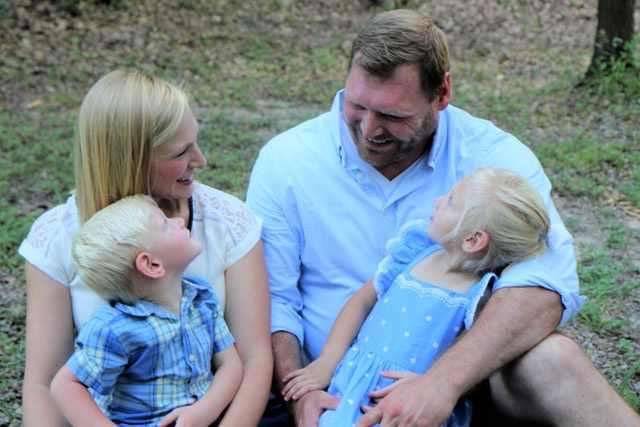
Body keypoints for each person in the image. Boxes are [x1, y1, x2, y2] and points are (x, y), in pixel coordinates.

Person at [246, 9, 640, 426]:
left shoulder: (492, 161)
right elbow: (272, 300)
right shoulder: (286, 160)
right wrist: (301, 393)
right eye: (357, 105)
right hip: (330, 393)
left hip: (468, 390)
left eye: (394, 116)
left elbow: (545, 281)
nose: (369, 129)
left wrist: (441, 383)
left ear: (443, 94)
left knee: (555, 357)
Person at [19, 70, 272, 427]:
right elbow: (46, 384)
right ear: (132, 160)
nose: (200, 160)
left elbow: (253, 359)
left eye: (194, 142)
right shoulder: (58, 239)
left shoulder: (226, 223)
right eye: (181, 151)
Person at [281, 168, 552, 426]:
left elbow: (481, 364)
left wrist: (429, 383)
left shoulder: (481, 295)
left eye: (450, 202)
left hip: (407, 408)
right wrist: (328, 361)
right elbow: (360, 302)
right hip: (351, 384)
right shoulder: (415, 253)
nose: (437, 201)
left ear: (472, 240)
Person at [50, 195, 243, 426]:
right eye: (165, 224)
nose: (179, 221)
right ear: (151, 265)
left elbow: (230, 364)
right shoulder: (114, 328)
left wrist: (203, 411)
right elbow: (65, 385)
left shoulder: (201, 299)